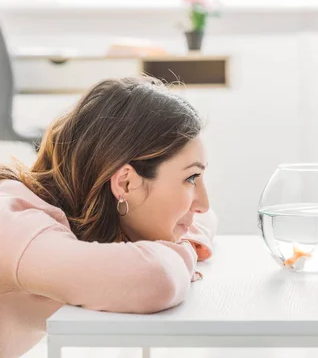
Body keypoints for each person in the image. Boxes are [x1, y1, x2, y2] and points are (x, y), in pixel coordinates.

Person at [0, 76, 217, 357]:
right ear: (126, 183)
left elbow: (207, 219)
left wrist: (181, 241)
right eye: (191, 178)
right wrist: (184, 249)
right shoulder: (13, 224)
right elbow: (156, 278)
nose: (203, 203)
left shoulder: (81, 223)